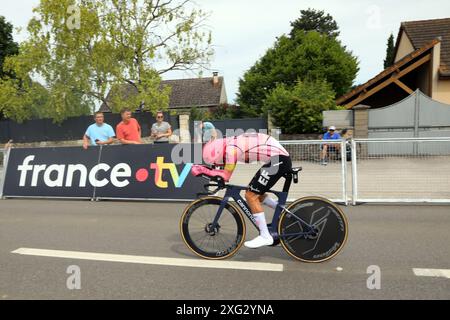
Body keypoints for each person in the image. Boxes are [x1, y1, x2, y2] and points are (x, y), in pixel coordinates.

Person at [191, 133, 292, 249]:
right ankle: (286, 213)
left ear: (217, 152)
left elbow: (226, 175)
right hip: (278, 159)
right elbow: (225, 170)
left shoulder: (231, 148)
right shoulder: (232, 143)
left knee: (251, 196)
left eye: (219, 161)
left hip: (278, 160)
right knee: (255, 193)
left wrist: (203, 170)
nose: (221, 163)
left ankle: (265, 236)